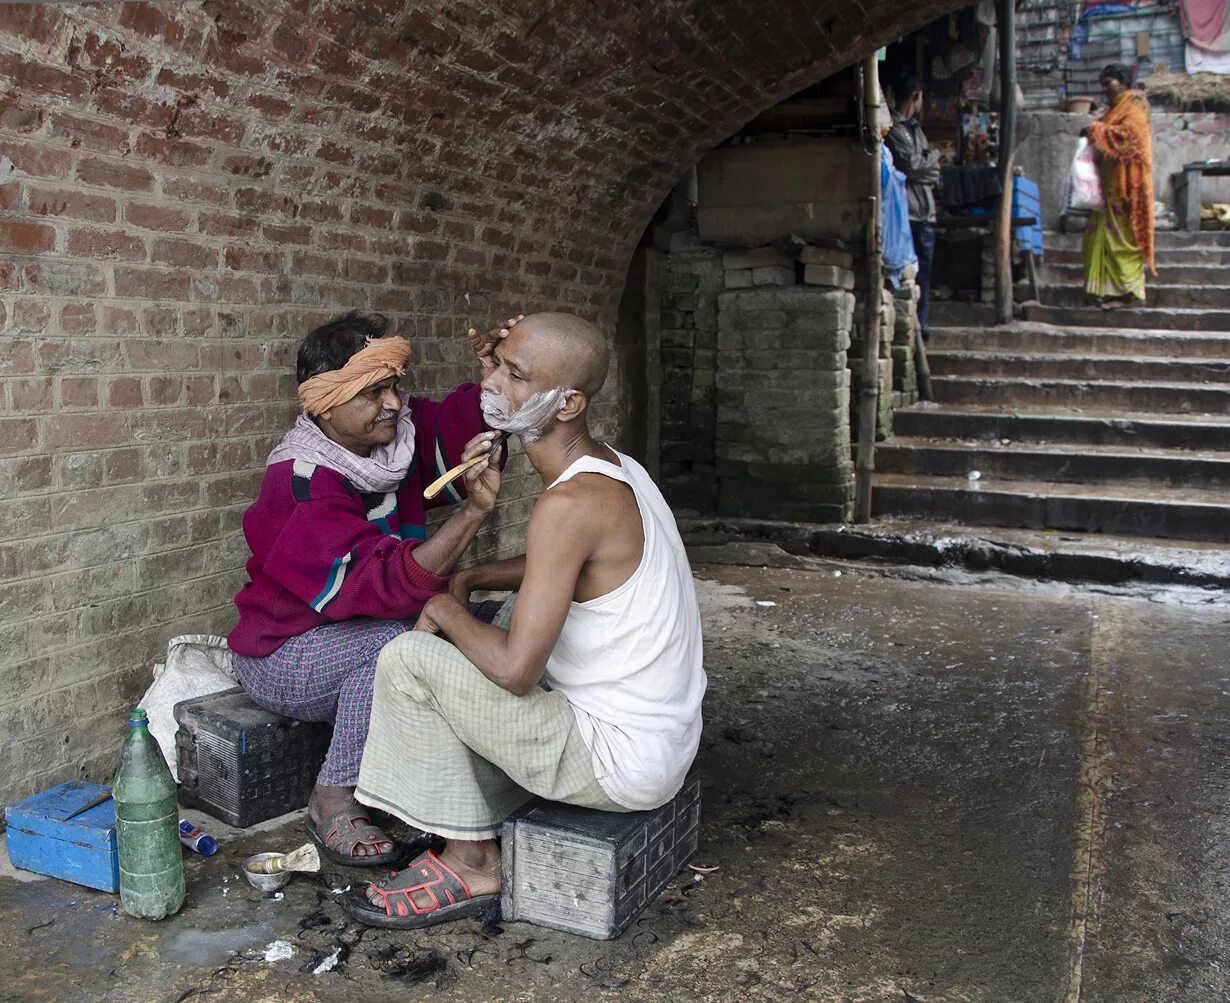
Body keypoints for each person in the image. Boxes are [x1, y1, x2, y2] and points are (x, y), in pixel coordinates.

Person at [343, 312, 707, 929]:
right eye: (495, 367)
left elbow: (514, 672)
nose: (491, 386)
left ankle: (471, 861)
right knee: (496, 610)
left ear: (567, 402)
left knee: (408, 658)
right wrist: (475, 576)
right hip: (660, 746)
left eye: (513, 375)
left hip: (615, 763)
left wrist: (439, 604)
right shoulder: (614, 468)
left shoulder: (567, 504)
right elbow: (575, 567)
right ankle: (474, 807)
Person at [227, 310, 512, 865]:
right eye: (371, 392)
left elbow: (456, 426)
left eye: (393, 387)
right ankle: (333, 796)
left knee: (458, 624)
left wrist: (497, 380)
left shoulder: (395, 444)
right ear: (324, 402)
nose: (393, 404)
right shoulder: (300, 484)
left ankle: (425, 785)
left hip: (360, 631)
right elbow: (378, 585)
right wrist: (472, 513)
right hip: (285, 656)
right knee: (406, 640)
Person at [1083, 63, 1154, 310]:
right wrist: (1095, 130)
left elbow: (1129, 138)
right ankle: (1103, 290)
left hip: (1127, 186)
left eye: (1109, 83)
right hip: (1108, 187)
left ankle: (1127, 294)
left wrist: (1097, 129)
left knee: (1123, 240)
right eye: (1103, 85)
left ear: (1123, 81)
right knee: (1098, 237)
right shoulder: (1115, 108)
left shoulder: (1135, 105)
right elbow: (1105, 131)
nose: (1106, 90)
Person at [885, 72, 941, 342]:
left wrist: (926, 164)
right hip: (907, 213)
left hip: (925, 213)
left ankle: (923, 333)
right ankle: (907, 335)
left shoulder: (916, 130)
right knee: (907, 276)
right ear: (916, 97)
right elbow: (912, 166)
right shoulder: (894, 129)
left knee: (925, 280)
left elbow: (930, 172)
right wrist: (932, 158)